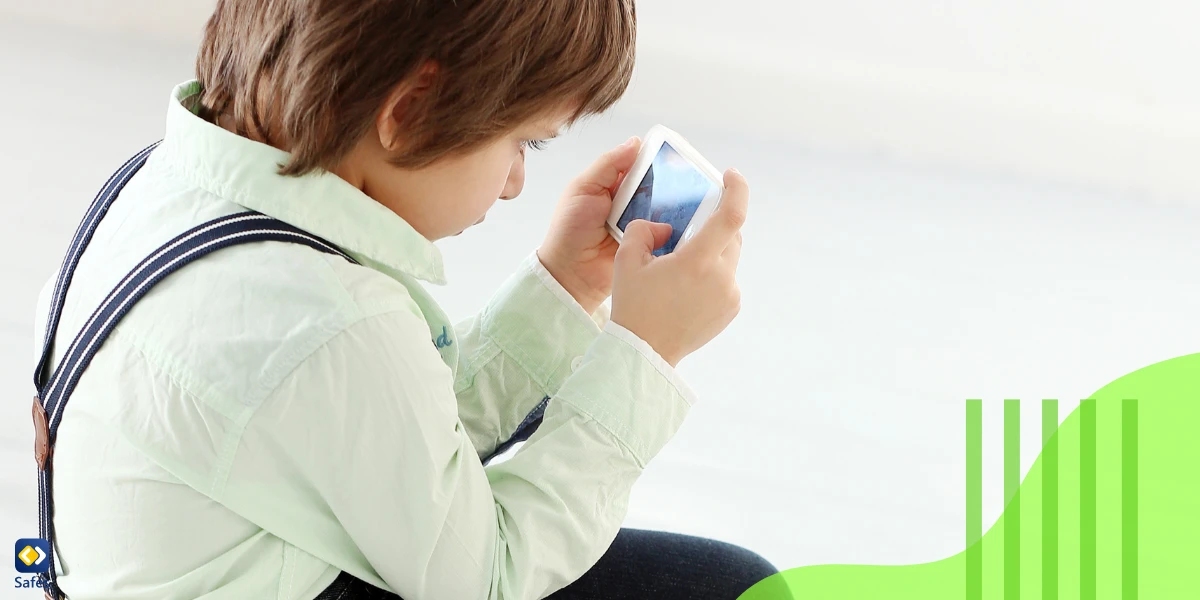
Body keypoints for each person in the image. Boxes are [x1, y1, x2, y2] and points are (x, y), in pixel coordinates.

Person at [32, 1, 788, 598]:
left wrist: (567, 284)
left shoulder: (161, 185)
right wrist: (648, 352)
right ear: (409, 109)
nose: (519, 180)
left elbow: (380, 438)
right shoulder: (327, 318)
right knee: (733, 589)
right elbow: (488, 574)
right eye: (525, 141)